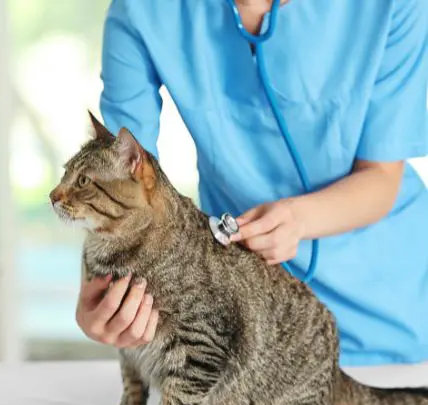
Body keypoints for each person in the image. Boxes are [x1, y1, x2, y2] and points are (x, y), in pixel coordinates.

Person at [76, 0, 428, 366]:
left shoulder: (394, 5)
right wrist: (97, 292)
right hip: (247, 325)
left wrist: (298, 219)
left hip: (392, 316)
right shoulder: (141, 11)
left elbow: (383, 176)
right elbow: (118, 177)